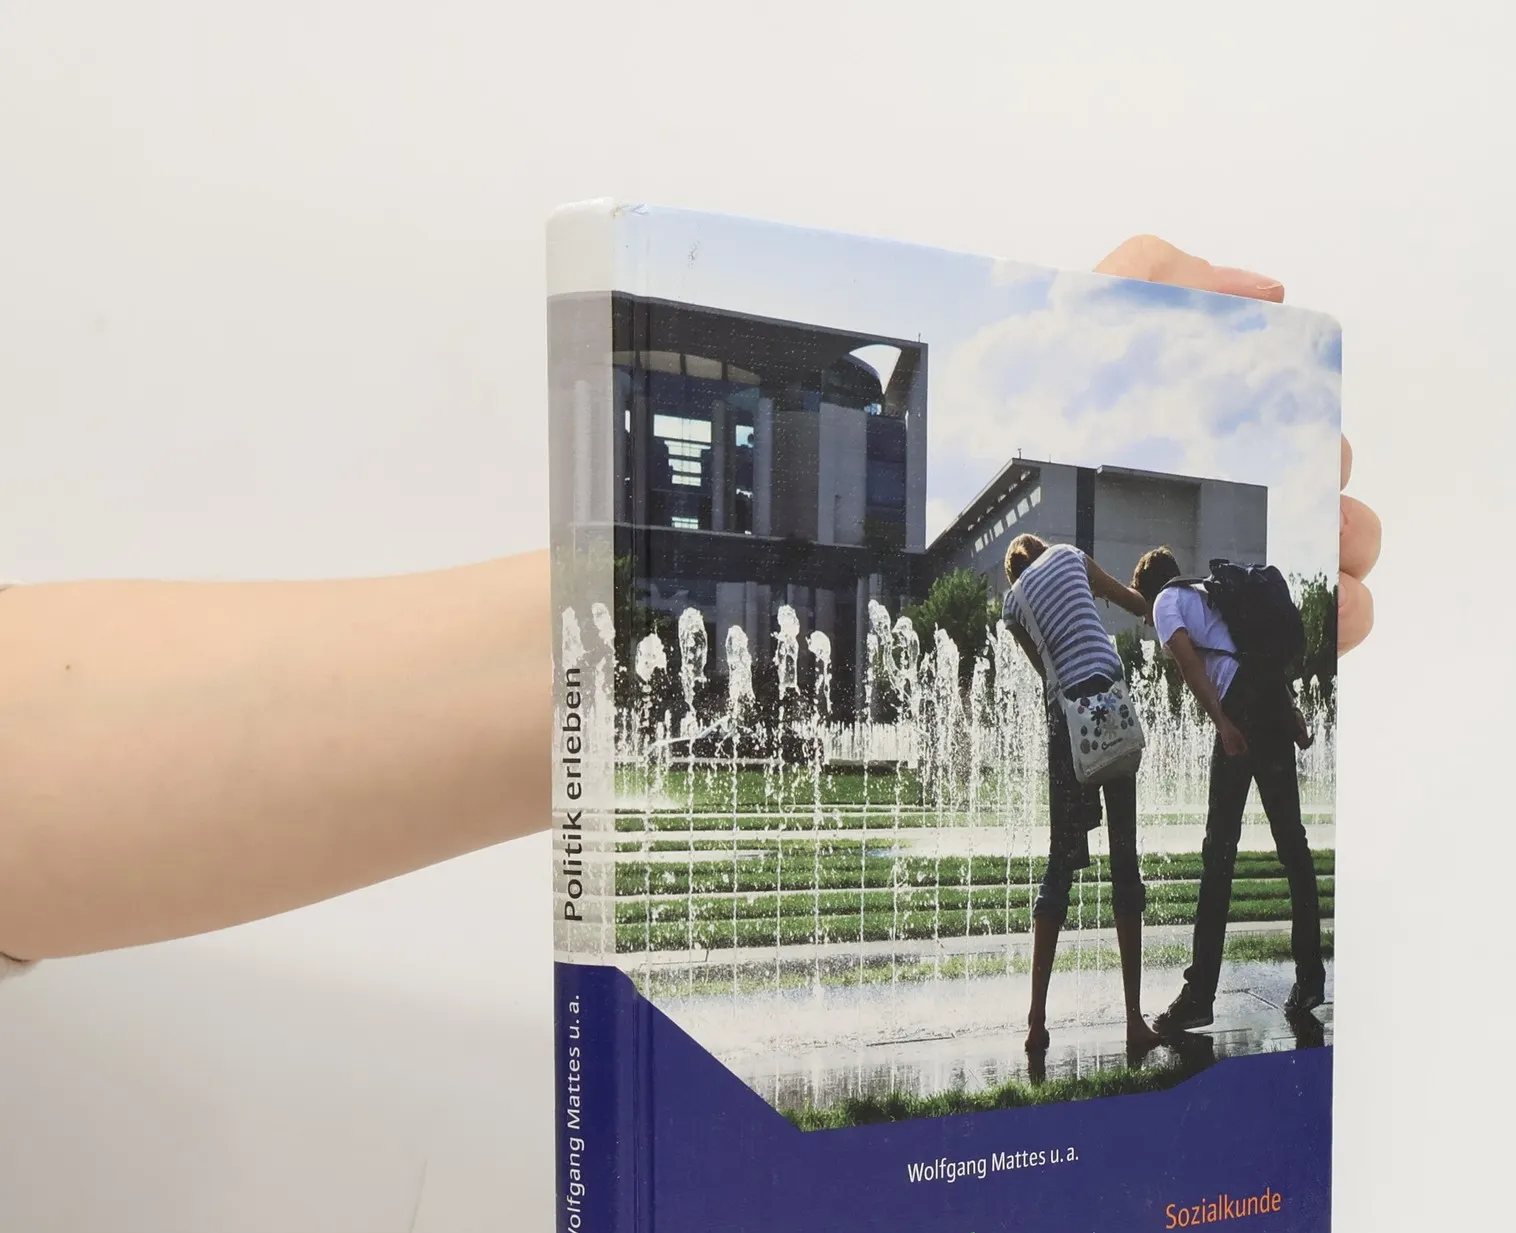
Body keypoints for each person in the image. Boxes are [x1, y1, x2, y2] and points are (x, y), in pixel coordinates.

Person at [0, 236, 1380, 972]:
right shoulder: (1120, 596)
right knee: (1199, 852)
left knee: (1106, 857)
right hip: (1172, 711)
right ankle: (1174, 994)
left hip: (1109, 718)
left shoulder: (1042, 589)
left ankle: (1097, 1000)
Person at [1131, 544, 1327, 1030]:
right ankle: (1309, 978)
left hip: (1240, 708)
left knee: (1218, 854)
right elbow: (1252, 655)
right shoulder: (1208, 593)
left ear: (1149, 589)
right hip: (1269, 698)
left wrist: (1222, 722)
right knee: (1294, 846)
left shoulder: (1166, 601)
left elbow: (1189, 664)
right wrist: (1289, 710)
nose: (1146, 617)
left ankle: (1199, 995)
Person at [999, 534, 1154, 1060]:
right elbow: (1131, 601)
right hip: (1110, 700)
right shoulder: (1068, 555)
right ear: (1043, 549)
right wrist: (1159, 604)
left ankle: (1037, 1022)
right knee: (1125, 860)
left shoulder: (1013, 604)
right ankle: (1133, 1021)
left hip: (1068, 725)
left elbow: (1046, 673)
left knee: (1059, 864)